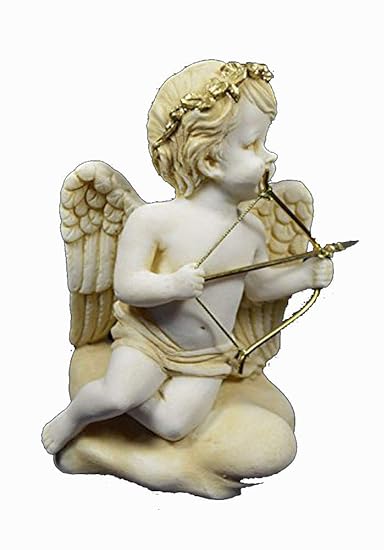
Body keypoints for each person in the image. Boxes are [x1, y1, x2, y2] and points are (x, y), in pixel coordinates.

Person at [42, 60, 333, 454]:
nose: (270, 157)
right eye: (252, 145)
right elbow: (127, 286)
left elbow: (258, 287)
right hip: (149, 338)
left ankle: (133, 406)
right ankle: (78, 415)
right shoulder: (154, 220)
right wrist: (172, 285)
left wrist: (304, 277)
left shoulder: (250, 229)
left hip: (206, 355)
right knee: (117, 394)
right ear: (210, 161)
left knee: (174, 425)